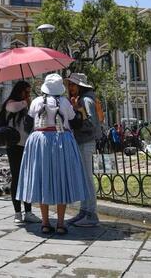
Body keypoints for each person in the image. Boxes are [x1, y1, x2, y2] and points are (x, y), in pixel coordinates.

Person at [16, 73, 91, 235]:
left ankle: (44, 222)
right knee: (61, 180)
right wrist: (77, 109)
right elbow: (75, 123)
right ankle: (61, 223)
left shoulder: (36, 102)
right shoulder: (64, 102)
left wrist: (29, 107)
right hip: (61, 140)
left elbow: (28, 126)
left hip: (40, 142)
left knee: (43, 180)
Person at [0, 80, 41, 224]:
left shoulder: (27, 107)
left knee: (27, 178)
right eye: (25, 91)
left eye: (29, 92)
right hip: (14, 146)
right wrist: (27, 102)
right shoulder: (11, 103)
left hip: (27, 145)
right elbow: (13, 107)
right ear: (19, 91)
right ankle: (17, 212)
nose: (27, 94)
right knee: (16, 177)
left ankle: (28, 211)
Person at [65, 73, 101, 227]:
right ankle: (84, 211)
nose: (70, 88)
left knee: (87, 179)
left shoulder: (86, 100)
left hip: (86, 142)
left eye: (73, 85)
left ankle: (91, 214)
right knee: (83, 178)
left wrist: (77, 123)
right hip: (81, 141)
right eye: (70, 85)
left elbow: (92, 123)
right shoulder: (81, 100)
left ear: (80, 86)